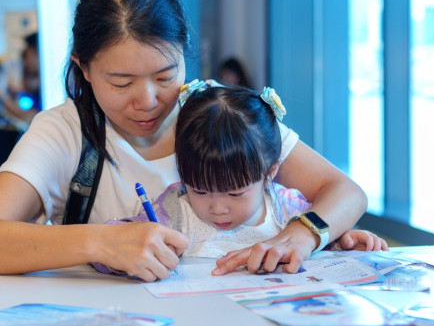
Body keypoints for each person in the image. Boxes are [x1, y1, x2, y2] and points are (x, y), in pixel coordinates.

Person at [0, 0, 368, 282]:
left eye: (166, 75)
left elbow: (344, 192)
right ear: (84, 68)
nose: (148, 100)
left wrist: (304, 234)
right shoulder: (64, 131)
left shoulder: (220, 114)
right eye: (121, 81)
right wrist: (98, 241)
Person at [92, 85, 387, 275]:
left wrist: (338, 242)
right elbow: (120, 247)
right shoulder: (173, 212)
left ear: (269, 172)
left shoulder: (289, 211)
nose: (217, 207)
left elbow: (317, 236)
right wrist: (119, 249)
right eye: (200, 190)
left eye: (235, 194)